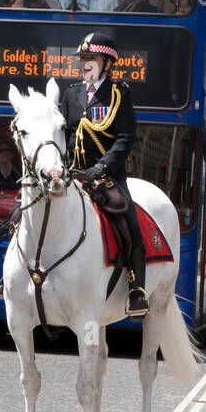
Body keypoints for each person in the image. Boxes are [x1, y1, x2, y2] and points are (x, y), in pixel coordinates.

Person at [60, 31, 149, 318]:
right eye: (83, 58)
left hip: (107, 177)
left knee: (131, 225)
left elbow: (125, 138)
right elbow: (63, 135)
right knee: (31, 209)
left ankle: (137, 289)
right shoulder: (71, 94)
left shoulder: (119, 94)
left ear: (107, 63)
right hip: (73, 174)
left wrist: (101, 168)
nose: (85, 62)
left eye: (91, 58)